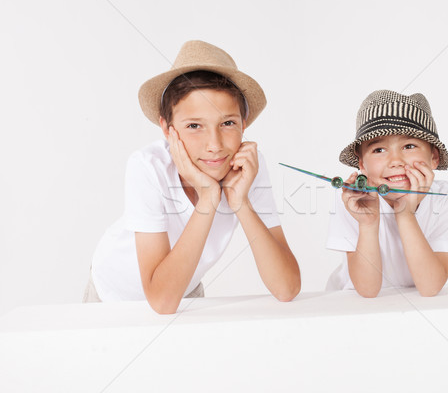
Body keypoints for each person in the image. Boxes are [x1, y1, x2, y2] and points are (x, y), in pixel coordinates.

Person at [85, 41, 301, 313]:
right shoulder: (147, 167)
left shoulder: (247, 167)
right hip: (114, 295)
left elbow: (287, 287)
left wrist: (240, 202)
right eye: (194, 126)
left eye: (227, 123)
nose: (214, 144)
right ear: (167, 128)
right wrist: (209, 197)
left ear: (244, 123)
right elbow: (161, 301)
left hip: (181, 287)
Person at [326, 90, 448, 298]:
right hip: (352, 303)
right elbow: (367, 291)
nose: (395, 161)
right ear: (361, 164)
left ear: (434, 157)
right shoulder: (353, 200)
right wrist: (367, 224)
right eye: (378, 150)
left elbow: (430, 287)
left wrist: (405, 212)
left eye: (409, 146)